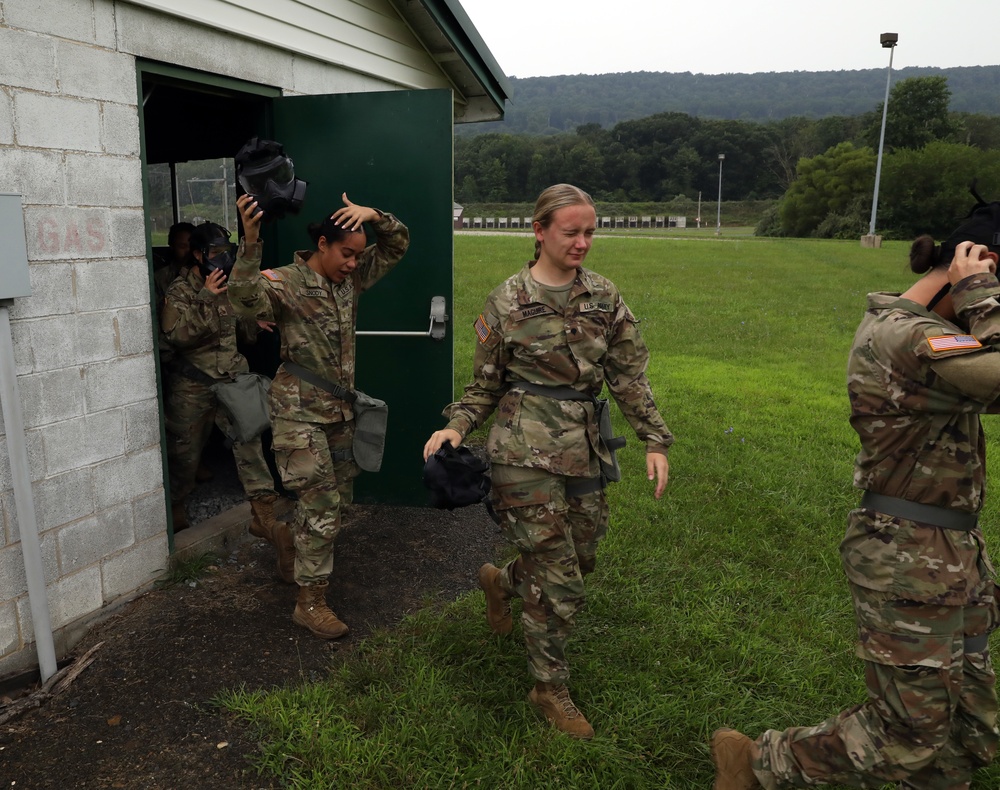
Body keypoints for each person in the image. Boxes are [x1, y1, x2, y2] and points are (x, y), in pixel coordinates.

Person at [712, 195, 1000, 789]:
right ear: (979, 266)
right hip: (908, 552)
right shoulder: (905, 337)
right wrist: (985, 299)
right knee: (908, 736)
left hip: (951, 547)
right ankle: (757, 763)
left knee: (970, 723)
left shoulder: (927, 330)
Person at [422, 183, 671, 739]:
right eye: (571, 232)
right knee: (559, 577)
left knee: (580, 559)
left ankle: (501, 583)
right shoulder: (506, 300)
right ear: (539, 231)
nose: (583, 242)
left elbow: (628, 376)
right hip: (521, 450)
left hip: (583, 449)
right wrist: (456, 425)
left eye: (589, 232)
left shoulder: (605, 297)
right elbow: (484, 384)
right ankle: (548, 686)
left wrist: (655, 440)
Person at [227, 191, 410, 640]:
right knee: (322, 504)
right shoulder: (286, 281)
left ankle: (287, 537)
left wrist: (376, 214)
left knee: (337, 505)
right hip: (298, 414)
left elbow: (397, 245)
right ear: (322, 245)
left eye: (358, 256)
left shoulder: (350, 280)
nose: (353, 263)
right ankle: (310, 603)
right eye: (346, 253)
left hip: (341, 413)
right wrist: (250, 243)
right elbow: (244, 301)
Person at [160, 222, 290, 575]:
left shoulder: (231, 285)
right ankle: (175, 504)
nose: (222, 259)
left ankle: (264, 516)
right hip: (193, 385)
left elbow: (241, 334)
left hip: (232, 381)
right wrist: (206, 296)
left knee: (249, 444)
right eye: (215, 253)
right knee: (184, 452)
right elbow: (177, 336)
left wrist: (253, 320)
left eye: (225, 252)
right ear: (199, 255)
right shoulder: (181, 290)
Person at [154, 221, 196, 309]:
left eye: (192, 246)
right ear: (172, 246)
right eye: (182, 247)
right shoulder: (161, 277)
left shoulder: (204, 274)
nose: (188, 251)